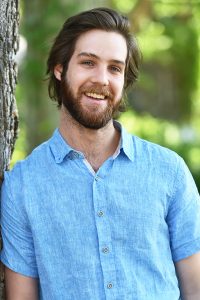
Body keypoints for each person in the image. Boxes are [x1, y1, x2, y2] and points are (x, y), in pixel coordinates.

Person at [1, 7, 200, 300]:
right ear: (60, 68)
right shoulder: (22, 185)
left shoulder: (169, 171)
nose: (102, 79)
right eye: (88, 62)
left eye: (114, 68)